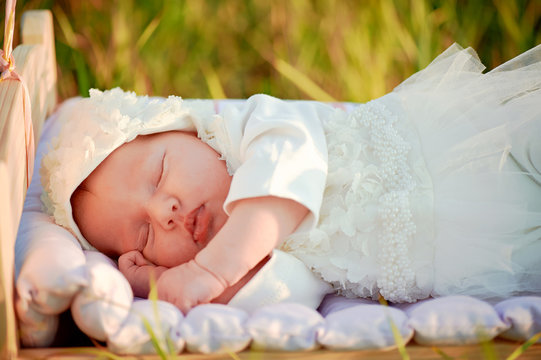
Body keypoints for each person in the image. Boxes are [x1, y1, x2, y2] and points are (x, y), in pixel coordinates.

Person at [41, 43, 541, 314]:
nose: (163, 211)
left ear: (190, 132)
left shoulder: (253, 130)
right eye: (144, 236)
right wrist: (157, 283)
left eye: (159, 174)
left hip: (458, 159)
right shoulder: (259, 254)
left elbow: (289, 175)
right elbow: (275, 292)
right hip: (469, 251)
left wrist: (210, 268)